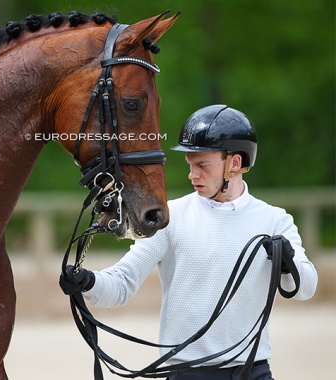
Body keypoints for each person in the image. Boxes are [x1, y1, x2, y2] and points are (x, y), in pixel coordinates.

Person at [60, 104, 319, 380]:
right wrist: (88, 282)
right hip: (187, 372)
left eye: (202, 166)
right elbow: (122, 283)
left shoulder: (275, 220)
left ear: (235, 163)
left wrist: (286, 259)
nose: (192, 175)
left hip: (252, 370)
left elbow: (304, 289)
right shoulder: (172, 217)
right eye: (190, 166)